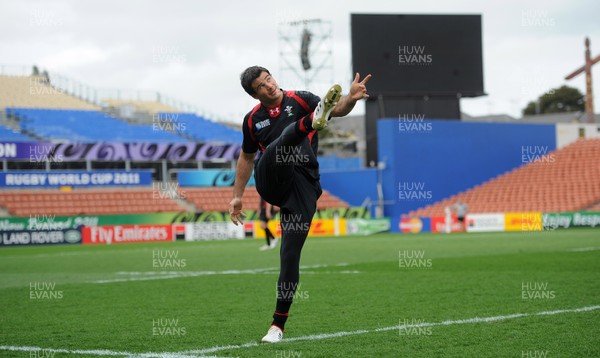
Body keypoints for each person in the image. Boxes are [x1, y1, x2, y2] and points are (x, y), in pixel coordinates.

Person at [229, 66, 371, 343]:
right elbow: (246, 158)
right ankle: (309, 123)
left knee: (289, 255)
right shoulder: (252, 120)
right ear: (254, 94)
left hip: (303, 184)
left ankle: (277, 326)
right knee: (279, 147)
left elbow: (337, 109)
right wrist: (237, 195)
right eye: (261, 85)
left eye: (269, 79)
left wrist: (351, 99)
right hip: (272, 178)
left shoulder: (301, 98)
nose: (269, 86)